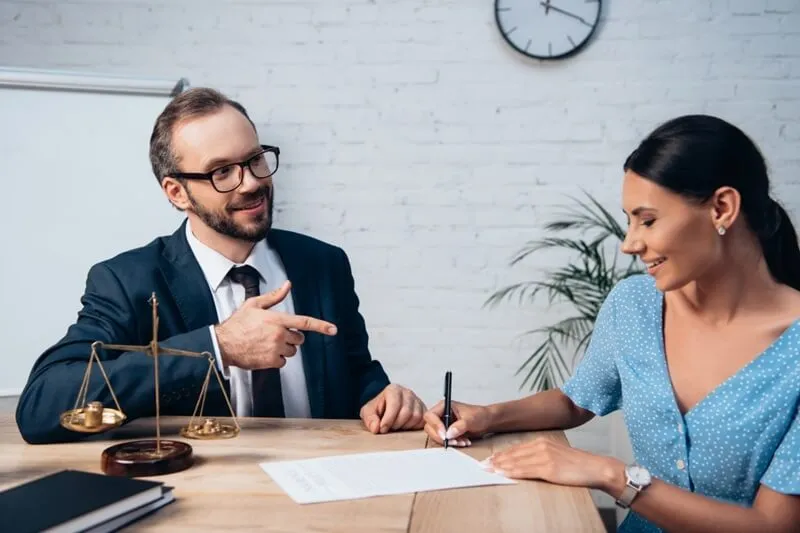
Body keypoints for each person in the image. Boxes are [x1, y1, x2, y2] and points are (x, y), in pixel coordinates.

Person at [423, 115, 800, 532]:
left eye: (648, 220)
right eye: (629, 220)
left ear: (722, 207)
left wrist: (612, 475)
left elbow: (773, 525)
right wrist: (488, 416)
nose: (629, 243)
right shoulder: (634, 305)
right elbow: (577, 400)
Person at [15, 87, 426, 444]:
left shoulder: (324, 263)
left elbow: (356, 373)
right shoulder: (128, 281)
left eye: (255, 160)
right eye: (222, 172)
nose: (250, 182)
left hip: (324, 484)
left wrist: (382, 396)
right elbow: (42, 404)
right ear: (177, 193)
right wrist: (218, 347)